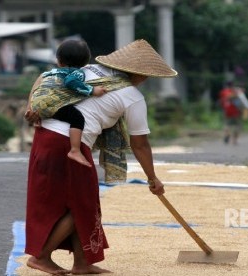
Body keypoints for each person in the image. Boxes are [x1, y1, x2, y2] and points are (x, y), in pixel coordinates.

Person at [23, 39, 177, 275]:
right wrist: (152, 178)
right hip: (68, 143)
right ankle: (41, 257)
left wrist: (32, 105)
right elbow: (140, 144)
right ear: (142, 76)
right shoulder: (132, 95)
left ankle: (82, 263)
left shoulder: (84, 70)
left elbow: (43, 78)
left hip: (45, 137)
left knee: (82, 203)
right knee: (82, 205)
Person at [29, 39, 107, 167]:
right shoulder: (77, 72)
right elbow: (71, 82)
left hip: (37, 104)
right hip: (51, 104)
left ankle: (44, 114)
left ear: (59, 61)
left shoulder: (51, 72)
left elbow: (38, 86)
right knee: (77, 118)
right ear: (86, 62)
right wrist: (92, 90)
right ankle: (75, 150)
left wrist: (35, 109)